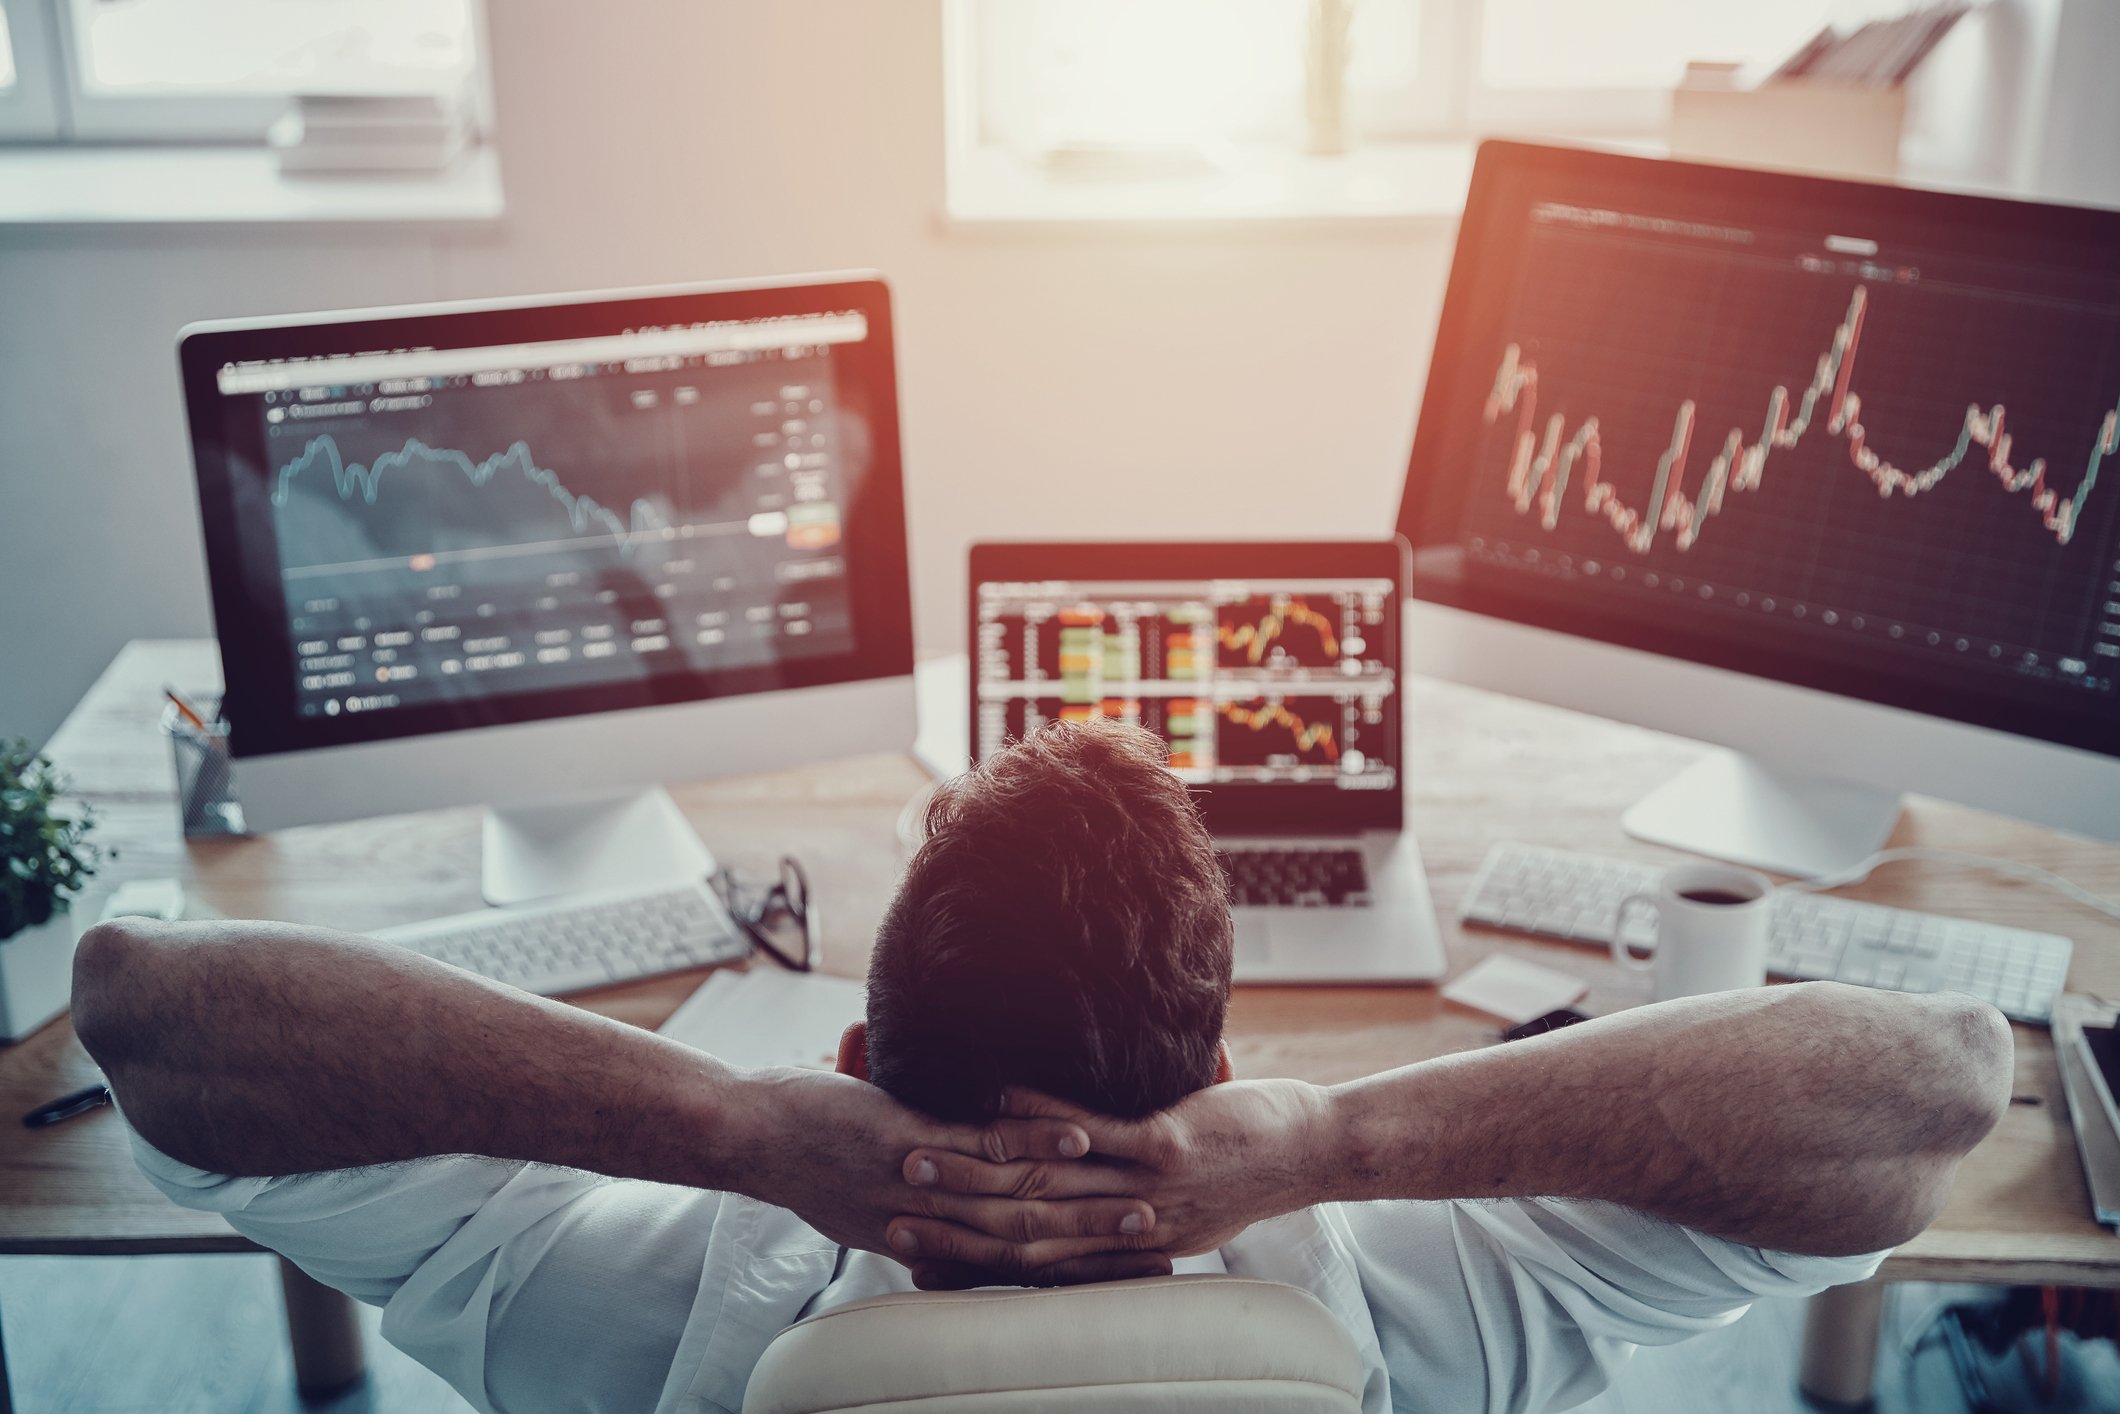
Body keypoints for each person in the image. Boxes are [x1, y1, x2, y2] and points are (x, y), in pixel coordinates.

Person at [72, 719, 2014, 1414]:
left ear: (855, 1053)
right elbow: (1931, 1084)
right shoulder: (1422, 1321)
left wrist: (730, 1125)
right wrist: (1337, 1138)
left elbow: (150, 1011)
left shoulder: (632, 1306)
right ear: (1226, 1067)